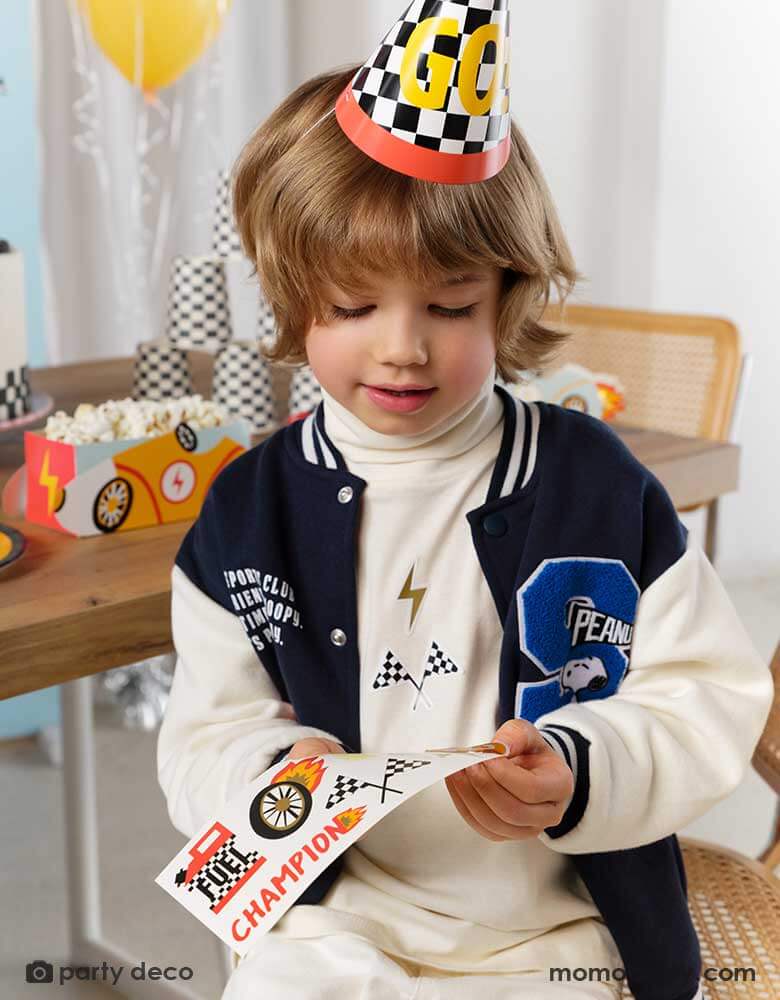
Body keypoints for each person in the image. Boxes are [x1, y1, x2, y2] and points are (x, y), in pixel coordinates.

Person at [157, 6, 774, 999]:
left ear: (508, 298)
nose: (403, 346)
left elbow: (710, 699)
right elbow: (205, 733)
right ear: (292, 297)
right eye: (354, 306)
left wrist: (581, 767)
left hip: (563, 921)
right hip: (342, 911)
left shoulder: (597, 487)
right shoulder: (246, 515)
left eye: (449, 306)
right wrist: (274, 769)